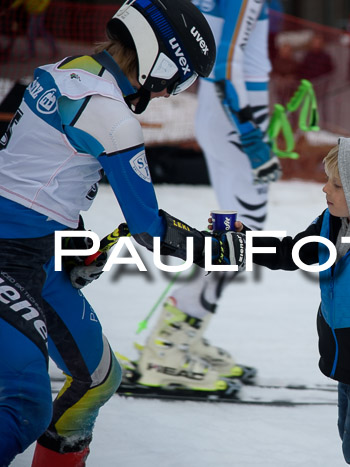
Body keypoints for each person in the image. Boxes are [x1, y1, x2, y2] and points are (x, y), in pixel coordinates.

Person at [0, 0, 244, 465]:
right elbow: (149, 229)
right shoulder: (112, 116)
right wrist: (216, 248)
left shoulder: (68, 70)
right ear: (162, 59)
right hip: (12, 257)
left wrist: (74, 242)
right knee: (25, 408)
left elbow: (37, 176)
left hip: (36, 252)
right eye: (182, 77)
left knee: (98, 379)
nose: (175, 92)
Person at [236, 136, 350, 465]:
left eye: (335, 184)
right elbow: (291, 252)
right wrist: (245, 239)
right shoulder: (332, 225)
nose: (325, 190)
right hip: (346, 359)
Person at [137, 0, 281, 387]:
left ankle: (183, 333)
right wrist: (251, 133)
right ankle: (171, 340)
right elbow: (226, 64)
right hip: (236, 115)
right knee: (243, 239)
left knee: (235, 234)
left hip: (224, 112)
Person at [298, 34, 335, 117]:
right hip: (310, 85)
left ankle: (323, 123)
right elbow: (302, 69)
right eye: (315, 43)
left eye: (318, 43)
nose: (316, 45)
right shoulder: (308, 55)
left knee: (322, 106)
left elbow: (330, 70)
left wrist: (324, 80)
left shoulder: (326, 56)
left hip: (321, 85)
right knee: (308, 105)